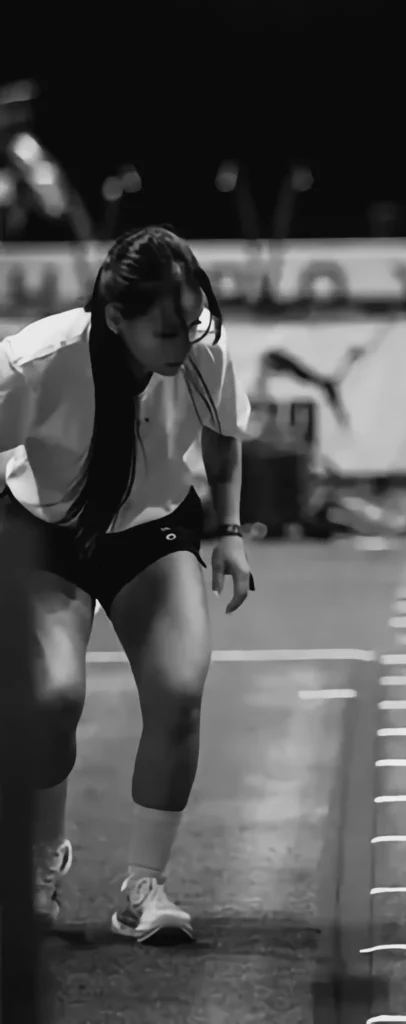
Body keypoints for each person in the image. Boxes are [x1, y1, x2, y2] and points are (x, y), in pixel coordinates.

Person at [0, 225, 253, 944]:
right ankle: (41, 862)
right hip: (46, 534)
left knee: (179, 694)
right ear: (116, 318)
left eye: (193, 322)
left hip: (154, 528)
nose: (186, 342)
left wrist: (230, 532)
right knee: (50, 699)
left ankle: (144, 888)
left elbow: (222, 433)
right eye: (166, 330)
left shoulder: (201, 350)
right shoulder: (35, 362)